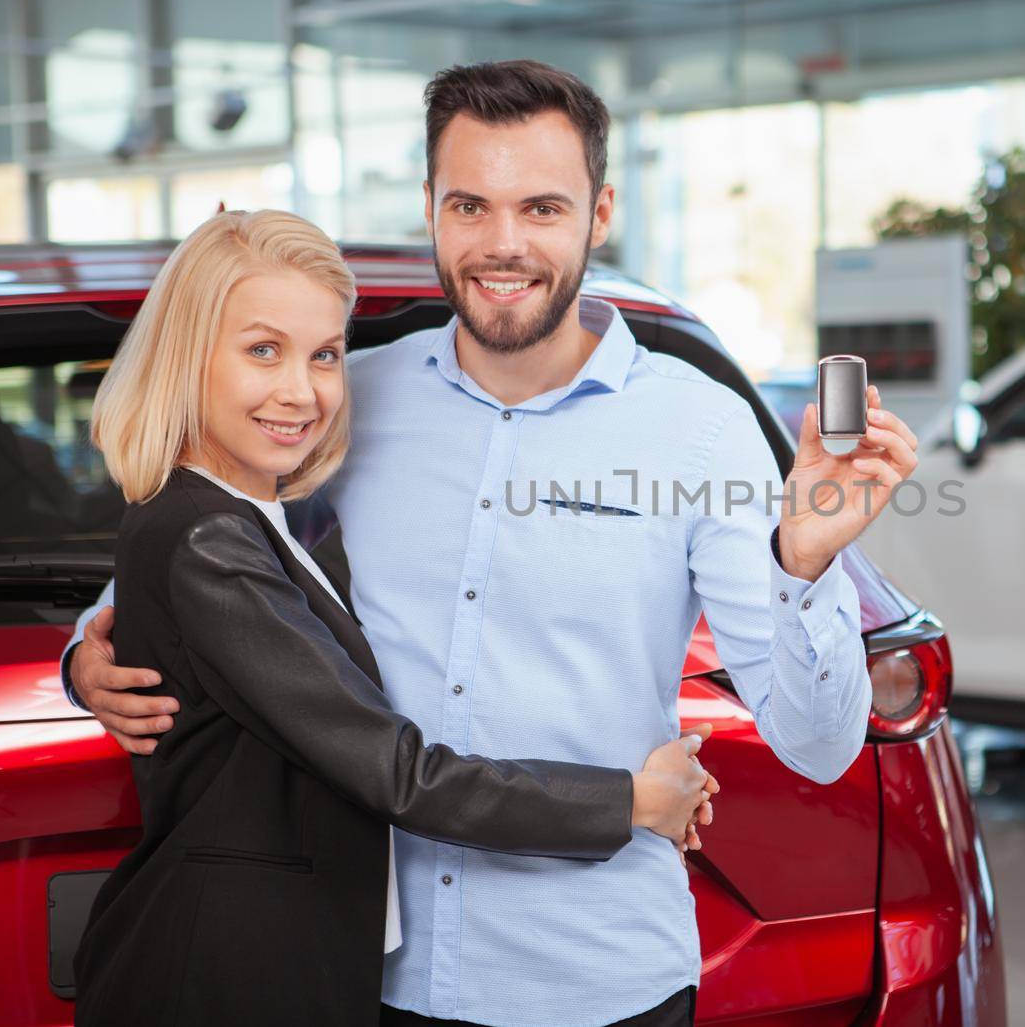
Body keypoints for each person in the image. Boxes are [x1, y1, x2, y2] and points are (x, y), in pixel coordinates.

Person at [63, 60, 920, 1027]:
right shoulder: (349, 394)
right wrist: (94, 649)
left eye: (541, 207)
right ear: (431, 206)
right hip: (368, 978)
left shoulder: (702, 430)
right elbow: (225, 542)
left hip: (597, 985)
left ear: (598, 213)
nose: (502, 244)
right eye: (470, 205)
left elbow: (817, 744)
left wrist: (804, 570)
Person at [68, 208, 716, 1027]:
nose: (300, 391)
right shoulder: (206, 537)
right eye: (262, 350)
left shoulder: (259, 517)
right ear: (188, 356)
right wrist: (630, 800)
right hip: (224, 978)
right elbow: (397, 771)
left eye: (325, 355)